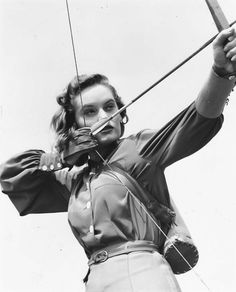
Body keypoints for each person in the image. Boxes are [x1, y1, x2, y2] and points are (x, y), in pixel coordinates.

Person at [0, 27, 236, 292]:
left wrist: (221, 72)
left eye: (110, 107)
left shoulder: (139, 148)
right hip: (97, 280)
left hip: (142, 273)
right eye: (90, 112)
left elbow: (197, 119)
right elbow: (10, 177)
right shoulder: (76, 179)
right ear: (74, 124)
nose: (104, 116)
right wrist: (62, 156)